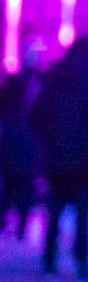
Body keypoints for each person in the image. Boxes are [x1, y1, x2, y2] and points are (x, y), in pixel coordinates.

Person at [29, 37, 88, 279]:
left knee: (54, 214)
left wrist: (46, 146)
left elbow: (36, 117)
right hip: (86, 160)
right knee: (83, 216)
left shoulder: (53, 82)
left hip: (57, 158)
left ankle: (49, 260)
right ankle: (82, 262)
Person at [0, 66, 39, 239]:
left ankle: (8, 223)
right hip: (22, 158)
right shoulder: (29, 112)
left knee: (10, 190)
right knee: (21, 191)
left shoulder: (10, 113)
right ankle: (19, 227)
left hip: (13, 157)